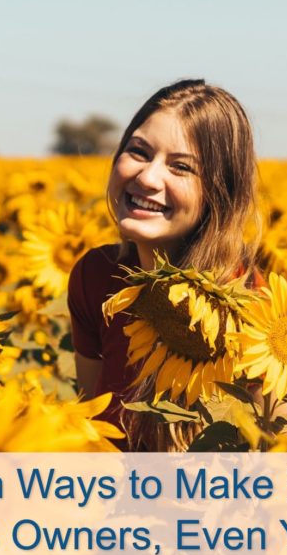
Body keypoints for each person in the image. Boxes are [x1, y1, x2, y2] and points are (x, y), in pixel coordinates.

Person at [68, 79, 259, 448]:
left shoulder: (252, 306)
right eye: (139, 151)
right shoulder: (96, 278)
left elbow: (274, 453)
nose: (147, 177)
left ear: (219, 193)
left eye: (181, 167)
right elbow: (90, 425)